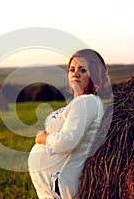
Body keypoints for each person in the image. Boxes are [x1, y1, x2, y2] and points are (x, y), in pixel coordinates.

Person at [28, 49, 110, 198]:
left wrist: (43, 138)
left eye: (83, 70)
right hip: (52, 183)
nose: (75, 73)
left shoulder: (87, 101)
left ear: (95, 76)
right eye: (72, 69)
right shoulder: (79, 103)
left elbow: (67, 141)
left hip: (59, 181)